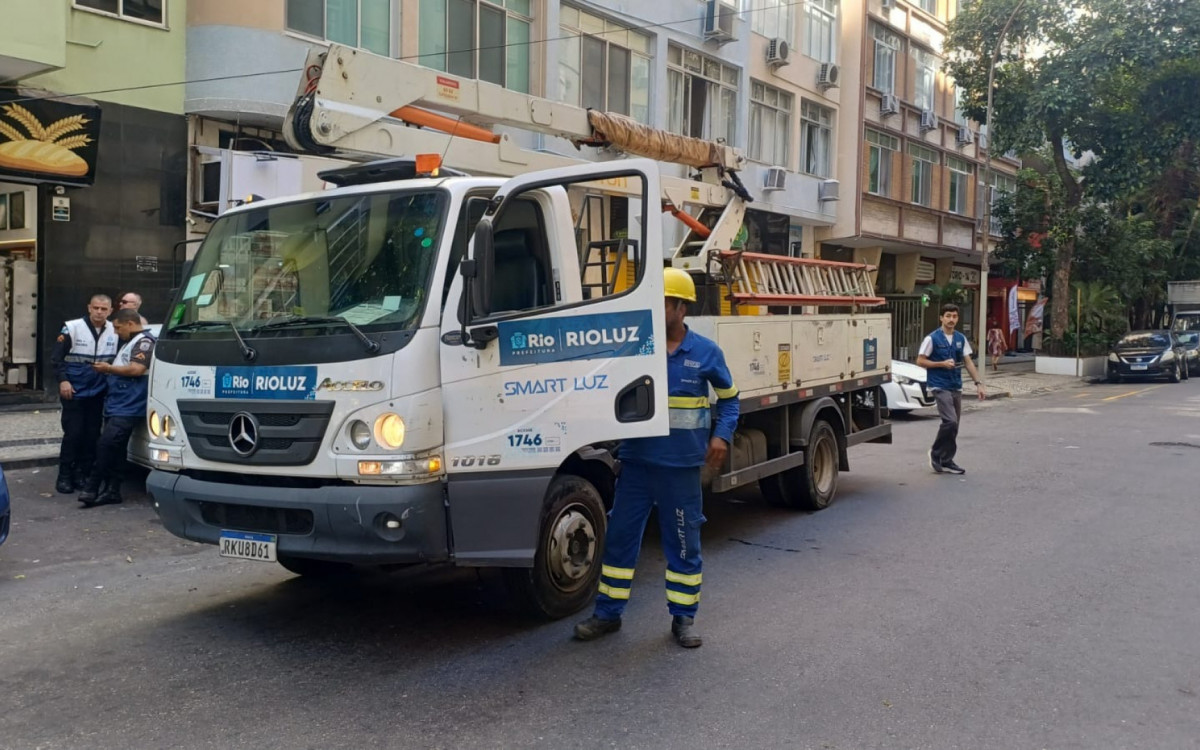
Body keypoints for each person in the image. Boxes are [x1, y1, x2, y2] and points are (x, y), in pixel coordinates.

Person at [574, 268, 739, 649]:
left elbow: (730, 399)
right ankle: (607, 615)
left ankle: (683, 618)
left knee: (683, 543)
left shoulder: (706, 352)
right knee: (619, 541)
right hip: (636, 464)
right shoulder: (637, 347)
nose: (655, 309)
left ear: (681, 308)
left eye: (662, 303)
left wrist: (721, 435)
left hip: (681, 469)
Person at [77, 309, 156, 508]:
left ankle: (92, 487)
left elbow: (137, 369)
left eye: (118, 327)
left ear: (130, 323)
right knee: (117, 449)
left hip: (128, 405)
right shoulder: (129, 342)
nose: (116, 332)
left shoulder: (144, 342)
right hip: (118, 403)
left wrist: (109, 368)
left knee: (106, 444)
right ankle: (112, 490)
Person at [50, 294, 119, 494]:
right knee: (73, 434)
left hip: (98, 391)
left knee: (91, 435)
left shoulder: (114, 330)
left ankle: (81, 473)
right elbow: (56, 358)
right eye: (96, 308)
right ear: (89, 307)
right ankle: (64, 476)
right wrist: (63, 380)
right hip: (74, 389)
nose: (99, 312)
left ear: (110, 311)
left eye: (103, 309)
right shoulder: (72, 327)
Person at [917, 304, 986, 475]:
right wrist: (940, 364)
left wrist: (978, 383)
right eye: (948, 316)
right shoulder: (931, 339)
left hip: (956, 384)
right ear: (941, 317)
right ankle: (936, 453)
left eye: (954, 316)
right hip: (939, 384)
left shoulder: (960, 338)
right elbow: (920, 361)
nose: (951, 320)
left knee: (955, 425)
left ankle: (947, 459)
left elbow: (968, 362)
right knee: (950, 421)